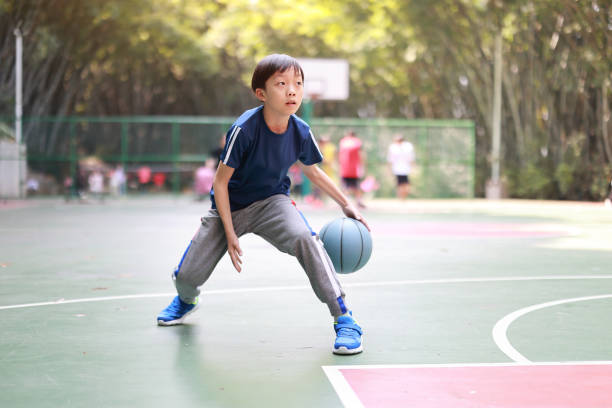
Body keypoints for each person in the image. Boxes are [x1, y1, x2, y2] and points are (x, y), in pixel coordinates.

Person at [156, 54, 369, 355]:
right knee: (187, 276)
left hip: (273, 203)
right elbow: (220, 182)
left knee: (305, 240)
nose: (292, 91)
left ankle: (344, 318)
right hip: (230, 205)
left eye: (297, 83)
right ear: (261, 93)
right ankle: (187, 300)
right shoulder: (244, 129)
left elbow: (312, 171)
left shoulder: (301, 131)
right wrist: (229, 233)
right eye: (281, 84)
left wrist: (346, 204)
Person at [338, 130, 366, 208]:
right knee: (357, 186)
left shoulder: (343, 142)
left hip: (345, 168)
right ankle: (358, 201)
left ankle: (344, 201)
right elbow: (361, 155)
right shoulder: (357, 142)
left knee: (345, 186)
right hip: (354, 169)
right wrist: (362, 166)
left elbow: (339, 155)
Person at [387, 134, 416, 199]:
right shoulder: (394, 147)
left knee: (404, 184)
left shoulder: (407, 147)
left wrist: (413, 166)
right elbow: (390, 159)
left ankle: (403, 197)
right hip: (398, 169)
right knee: (401, 184)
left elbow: (411, 158)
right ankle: (402, 197)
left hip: (404, 168)